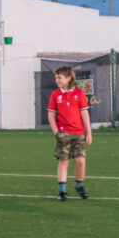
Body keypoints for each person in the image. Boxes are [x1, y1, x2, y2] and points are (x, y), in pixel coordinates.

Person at [47, 65, 93, 201]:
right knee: (64, 162)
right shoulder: (55, 94)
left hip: (79, 133)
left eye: (60, 77)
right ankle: (62, 192)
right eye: (56, 77)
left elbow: (84, 113)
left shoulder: (79, 93)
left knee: (80, 161)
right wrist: (56, 132)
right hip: (63, 133)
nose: (57, 80)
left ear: (68, 78)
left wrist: (88, 132)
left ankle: (79, 186)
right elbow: (51, 115)